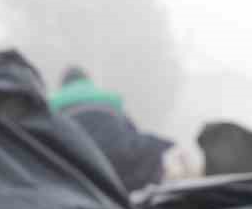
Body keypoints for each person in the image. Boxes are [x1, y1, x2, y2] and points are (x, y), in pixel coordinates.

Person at [49, 66, 201, 192]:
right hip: (117, 165)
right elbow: (132, 133)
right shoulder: (109, 100)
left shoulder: (52, 106)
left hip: (77, 165)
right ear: (87, 80)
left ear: (62, 85)